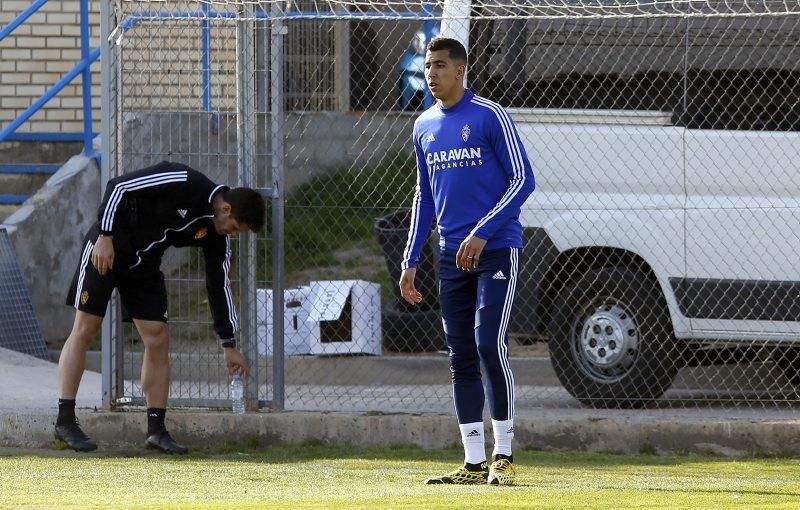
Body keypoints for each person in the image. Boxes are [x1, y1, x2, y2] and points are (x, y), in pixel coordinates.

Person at [55, 161, 265, 454]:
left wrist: (229, 343)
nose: (232, 234)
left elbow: (219, 285)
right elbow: (118, 186)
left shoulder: (216, 235)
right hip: (110, 246)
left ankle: (156, 430)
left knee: (158, 336)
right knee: (86, 328)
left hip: (145, 263)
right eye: (234, 228)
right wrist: (104, 236)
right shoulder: (185, 180)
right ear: (227, 209)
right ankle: (65, 421)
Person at [400, 37, 535, 486]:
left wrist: (483, 231)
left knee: (488, 343)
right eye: (428, 65)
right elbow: (424, 196)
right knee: (459, 356)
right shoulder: (423, 125)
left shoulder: (489, 115)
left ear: (460, 70)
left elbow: (523, 180)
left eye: (439, 65)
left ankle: (505, 455)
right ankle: (473, 463)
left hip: (496, 249)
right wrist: (411, 257)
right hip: (449, 257)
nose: (431, 73)